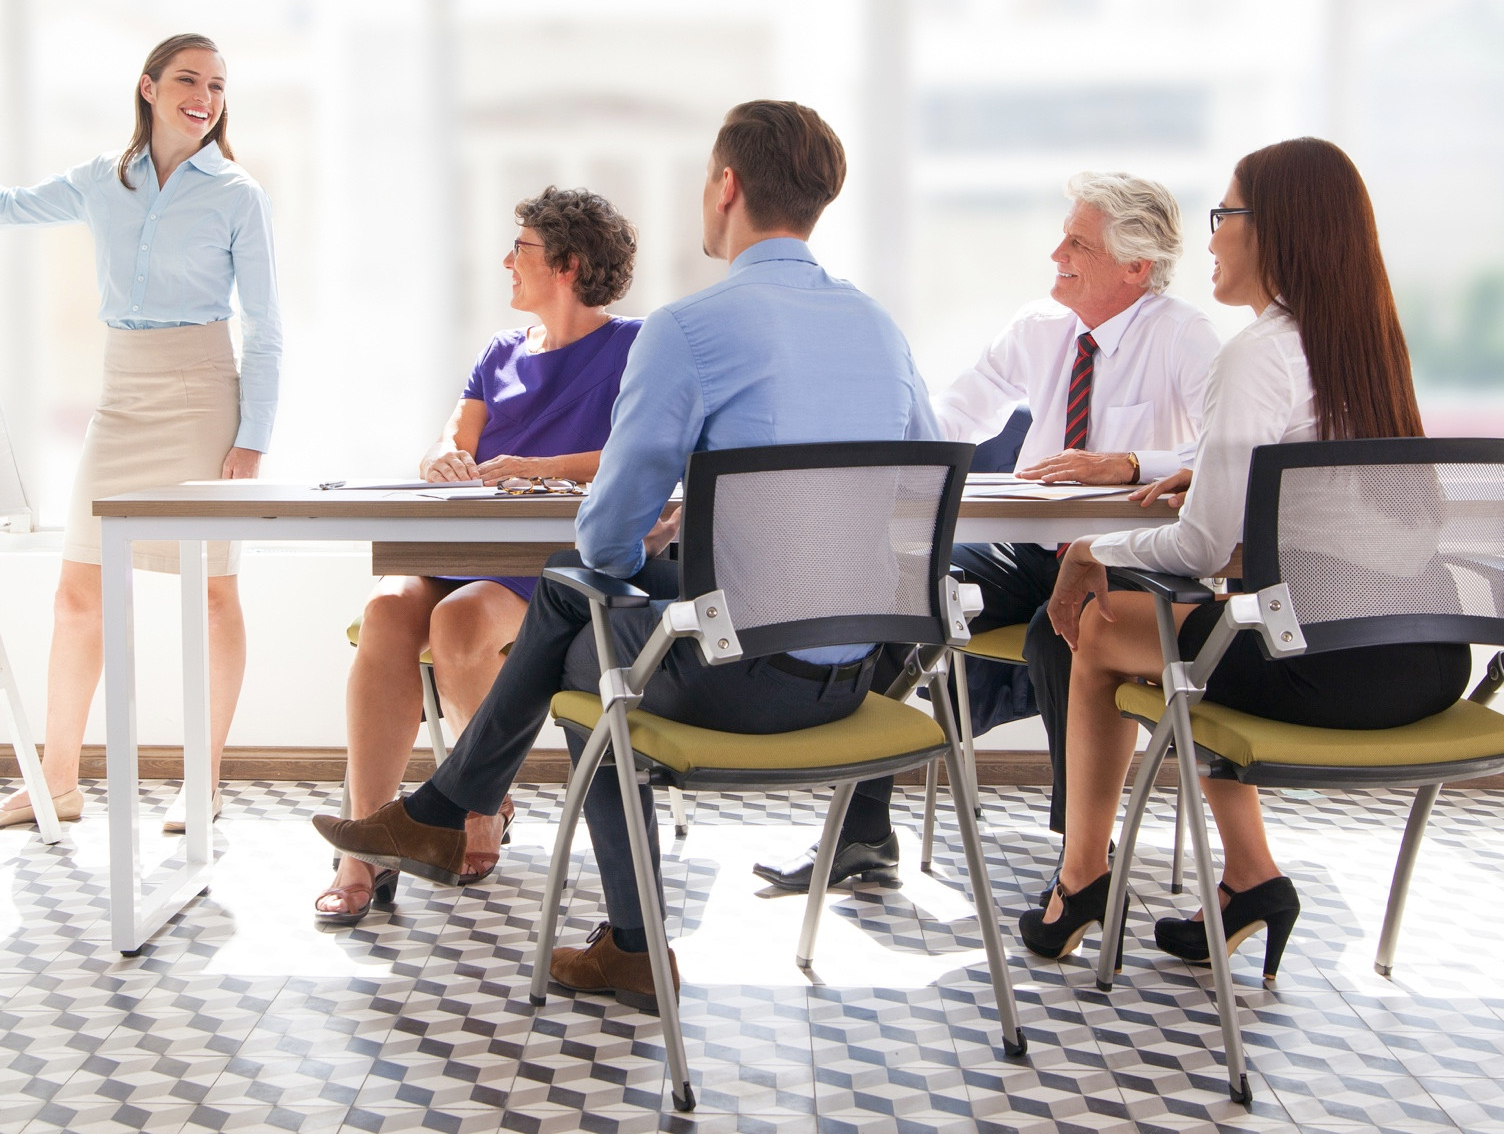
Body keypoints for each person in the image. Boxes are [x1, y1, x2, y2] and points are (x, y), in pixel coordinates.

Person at [314, 100, 937, 1008]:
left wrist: (660, 528)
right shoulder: (879, 329)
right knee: (581, 611)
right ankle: (459, 821)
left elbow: (607, 539)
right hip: (858, 679)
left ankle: (525, 865)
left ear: (726, 187)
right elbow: (915, 497)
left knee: (585, 621)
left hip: (737, 680)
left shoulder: (689, 329)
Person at [1019, 138, 1469, 976]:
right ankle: (1250, 880)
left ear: (1277, 230)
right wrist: (1227, 482)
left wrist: (1088, 547)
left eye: (1227, 215)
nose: (1214, 237)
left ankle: (1080, 880)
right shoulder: (1368, 344)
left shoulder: (1258, 353)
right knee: (1201, 639)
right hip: (1431, 659)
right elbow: (1330, 513)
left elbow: (1198, 545)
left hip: (1326, 669)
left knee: (1098, 625)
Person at [754, 173, 1220, 894]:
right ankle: (862, 835)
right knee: (899, 590)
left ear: (1136, 266)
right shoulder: (1040, 327)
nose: (1056, 251)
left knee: (1065, 633)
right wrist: (872, 447)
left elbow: (1228, 456)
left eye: (1077, 242)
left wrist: (1130, 463)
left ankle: (1083, 867)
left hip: (1127, 562)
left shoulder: (1184, 336)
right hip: (1032, 553)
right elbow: (955, 418)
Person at [0, 34, 282, 832]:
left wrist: (252, 438)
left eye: (217, 85)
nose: (204, 97)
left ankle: (204, 783)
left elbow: (268, 330)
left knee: (213, 594)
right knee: (77, 593)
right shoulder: (99, 180)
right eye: (188, 79)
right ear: (148, 87)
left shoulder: (238, 195)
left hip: (203, 396)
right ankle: (56, 783)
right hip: (122, 397)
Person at [317, 187, 643, 924]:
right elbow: (451, 436)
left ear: (567, 263)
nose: (506, 261)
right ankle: (365, 843)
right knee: (386, 611)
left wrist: (543, 466)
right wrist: (444, 460)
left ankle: (477, 803)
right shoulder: (499, 351)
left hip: (548, 562)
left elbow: (642, 452)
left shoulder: (634, 346)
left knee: (461, 621)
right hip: (461, 541)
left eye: (521, 248)